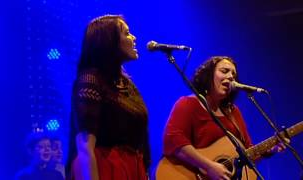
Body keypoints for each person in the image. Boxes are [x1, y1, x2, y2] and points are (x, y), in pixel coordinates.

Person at [161, 56, 285, 180]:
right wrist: (208, 166)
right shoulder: (188, 104)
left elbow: (247, 153)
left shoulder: (233, 112)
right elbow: (173, 141)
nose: (231, 76)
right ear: (209, 75)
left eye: (234, 74)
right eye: (225, 71)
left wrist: (271, 149)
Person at [66, 14, 150, 180]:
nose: (133, 38)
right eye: (126, 33)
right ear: (109, 42)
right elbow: (84, 147)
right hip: (106, 169)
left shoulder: (126, 84)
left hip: (132, 168)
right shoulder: (90, 80)